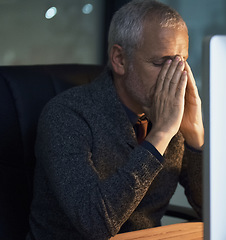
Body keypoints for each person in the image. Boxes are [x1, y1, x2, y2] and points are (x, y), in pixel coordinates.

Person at [27, 0, 203, 239]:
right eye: (161, 63)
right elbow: (95, 223)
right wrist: (160, 135)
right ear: (119, 59)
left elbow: (211, 208)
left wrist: (195, 138)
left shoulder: (173, 117)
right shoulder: (66, 115)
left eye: (181, 62)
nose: (175, 77)